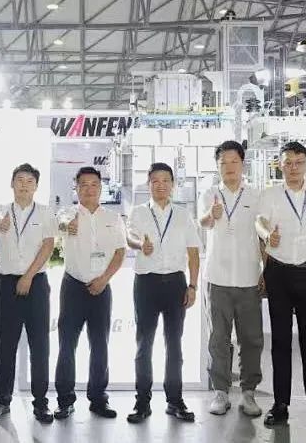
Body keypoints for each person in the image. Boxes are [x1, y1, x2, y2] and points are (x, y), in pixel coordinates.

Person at [254, 142, 306, 428]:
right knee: (280, 341)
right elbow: (259, 221)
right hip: (279, 272)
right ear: (280, 165)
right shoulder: (270, 194)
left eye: (298, 162)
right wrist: (267, 235)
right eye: (287, 163)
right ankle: (280, 405)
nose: (293, 168)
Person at [124, 162, 199, 424]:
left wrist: (192, 286)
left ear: (173, 185)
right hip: (146, 284)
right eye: (155, 181)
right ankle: (142, 402)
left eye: (166, 180)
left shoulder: (183, 214)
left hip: (176, 283)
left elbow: (193, 252)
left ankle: (175, 401)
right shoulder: (138, 212)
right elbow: (130, 237)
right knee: (144, 344)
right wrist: (139, 245)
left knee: (174, 344)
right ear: (149, 185)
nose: (161, 185)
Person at [0, 163, 57, 423]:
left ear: (36, 186)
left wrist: (28, 276)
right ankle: (1, 401)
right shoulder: (1, 210)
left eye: (29, 181)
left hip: (36, 283)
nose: (24, 185)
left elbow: (48, 246)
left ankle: (41, 403)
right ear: (12, 184)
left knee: (40, 345)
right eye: (20, 180)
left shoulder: (45, 212)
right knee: (6, 345)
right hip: (7, 284)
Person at [53, 166, 127, 420]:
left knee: (100, 345)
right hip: (73, 287)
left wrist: (104, 280)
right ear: (76, 188)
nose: (89, 189)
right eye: (83, 184)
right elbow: (60, 225)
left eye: (94, 184)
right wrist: (67, 225)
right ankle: (65, 400)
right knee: (67, 345)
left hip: (102, 288)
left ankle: (98, 399)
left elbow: (120, 252)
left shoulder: (113, 218)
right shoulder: (68, 213)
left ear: (101, 187)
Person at [199, 140, 264, 418]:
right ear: (217, 167)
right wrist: (211, 215)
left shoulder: (256, 195)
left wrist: (265, 269)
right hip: (218, 278)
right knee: (218, 338)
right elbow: (202, 223)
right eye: (223, 163)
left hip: (249, 277)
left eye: (234, 161)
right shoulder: (209, 193)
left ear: (242, 164)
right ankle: (221, 392)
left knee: (251, 338)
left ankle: (248, 392)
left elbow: (262, 233)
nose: (229, 167)